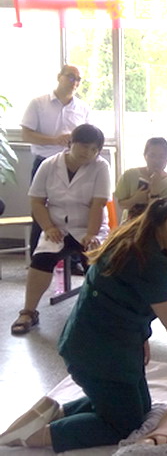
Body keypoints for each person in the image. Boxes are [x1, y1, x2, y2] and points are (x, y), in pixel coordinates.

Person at [0, 195, 167, 451]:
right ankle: (37, 436)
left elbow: (124, 299)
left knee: (141, 407)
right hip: (100, 354)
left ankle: (55, 411)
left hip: (95, 340)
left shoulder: (132, 237)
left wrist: (141, 337)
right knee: (125, 424)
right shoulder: (150, 260)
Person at [10, 124, 111, 335]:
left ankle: (100, 314)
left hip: (88, 226)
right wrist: (48, 227)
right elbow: (37, 202)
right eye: (83, 146)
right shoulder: (48, 165)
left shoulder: (101, 167)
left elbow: (98, 204)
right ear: (70, 143)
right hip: (57, 226)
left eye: (94, 149)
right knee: (41, 260)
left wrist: (92, 234)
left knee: (96, 262)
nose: (88, 152)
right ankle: (28, 312)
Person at [21, 64, 91, 262]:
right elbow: (26, 135)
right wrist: (55, 140)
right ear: (59, 77)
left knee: (76, 211)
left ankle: (73, 260)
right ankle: (38, 258)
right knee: (40, 209)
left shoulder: (82, 107)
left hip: (74, 166)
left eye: (78, 79)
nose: (75, 82)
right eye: (71, 77)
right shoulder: (39, 103)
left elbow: (89, 138)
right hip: (45, 162)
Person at [114, 137, 167, 222]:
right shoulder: (129, 175)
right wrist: (135, 199)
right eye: (152, 155)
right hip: (129, 225)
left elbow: (162, 214)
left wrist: (154, 190)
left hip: (155, 227)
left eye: (162, 156)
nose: (156, 160)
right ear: (145, 156)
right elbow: (119, 205)